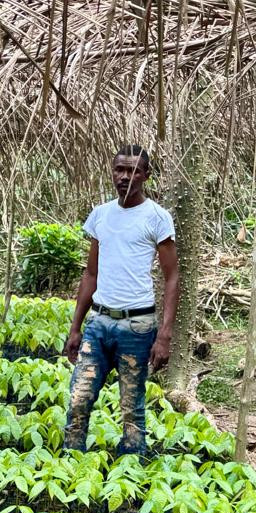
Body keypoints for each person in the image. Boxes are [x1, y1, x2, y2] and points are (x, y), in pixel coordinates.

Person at [62, 145, 179, 456]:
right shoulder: (101, 215)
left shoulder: (157, 217)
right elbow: (90, 274)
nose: (126, 177)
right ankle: (71, 464)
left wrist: (164, 335)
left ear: (146, 175)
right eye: (120, 170)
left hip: (137, 326)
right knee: (78, 400)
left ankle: (128, 481)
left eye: (134, 171)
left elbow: (172, 277)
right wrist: (75, 328)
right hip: (99, 323)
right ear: (112, 172)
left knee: (132, 409)